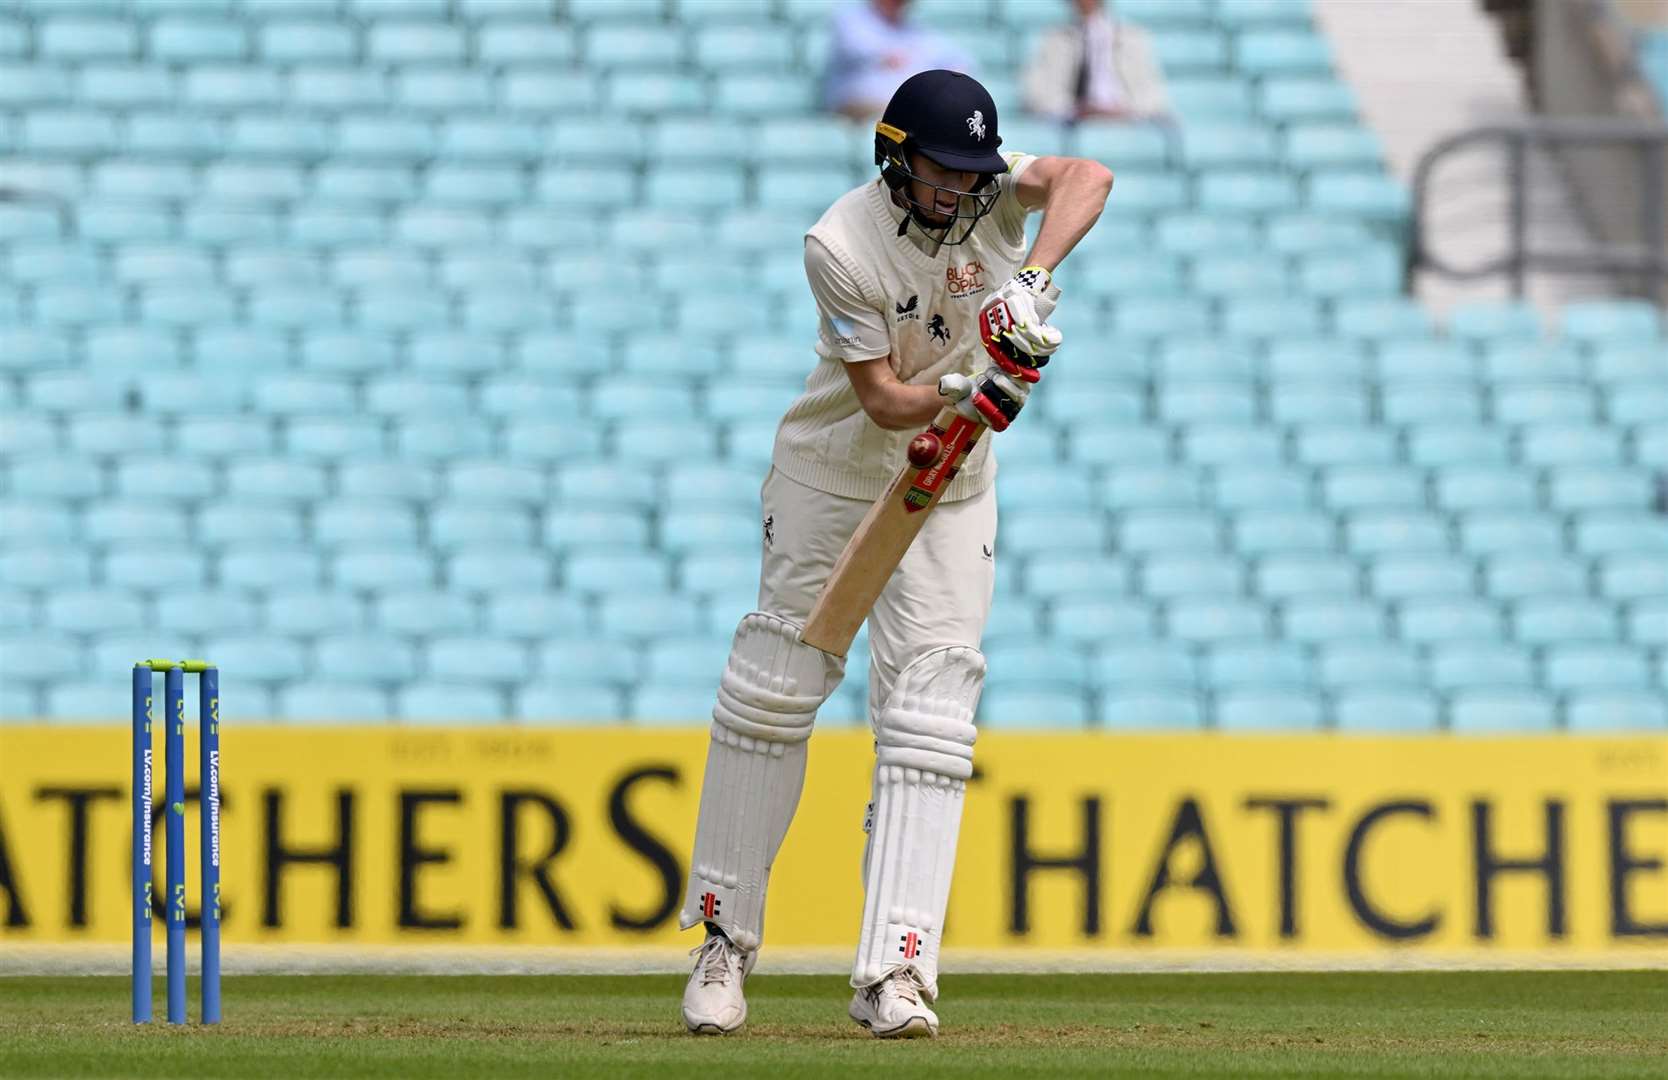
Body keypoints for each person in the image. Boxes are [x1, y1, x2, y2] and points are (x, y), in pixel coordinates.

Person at [677, 70, 1114, 1039]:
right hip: (835, 475)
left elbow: (1089, 174)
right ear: (893, 155)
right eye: (939, 170)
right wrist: (978, 381)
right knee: (775, 687)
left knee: (931, 710)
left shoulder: (996, 198)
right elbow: (881, 399)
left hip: (953, 487)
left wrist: (1033, 280)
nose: (957, 191)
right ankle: (721, 942)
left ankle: (897, 972)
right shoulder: (841, 244)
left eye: (971, 172)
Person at [1023, 0, 1171, 123]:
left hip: (1126, 121)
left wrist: (1123, 110)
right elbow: (1037, 96)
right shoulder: (1054, 40)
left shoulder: (1133, 37)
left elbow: (1154, 96)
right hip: (1074, 121)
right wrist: (1074, 109)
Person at [822, 0, 974, 121]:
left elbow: (958, 60)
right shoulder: (851, 20)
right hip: (857, 104)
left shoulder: (915, 30)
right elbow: (856, 48)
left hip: (907, 105)